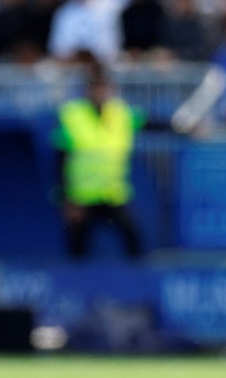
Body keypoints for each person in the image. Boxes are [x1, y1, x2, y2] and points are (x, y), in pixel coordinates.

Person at [53, 59, 144, 259]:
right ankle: (74, 288)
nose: (100, 93)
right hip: (82, 197)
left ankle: (138, 286)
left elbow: (149, 122)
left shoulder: (121, 114)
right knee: (77, 248)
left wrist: (183, 127)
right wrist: (67, 199)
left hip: (113, 194)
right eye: (96, 88)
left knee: (133, 237)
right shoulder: (72, 116)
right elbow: (60, 160)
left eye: (104, 88)